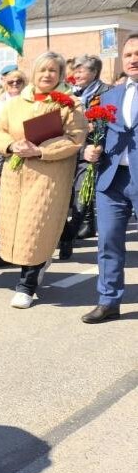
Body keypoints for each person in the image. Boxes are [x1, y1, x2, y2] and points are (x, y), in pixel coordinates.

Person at [0, 51, 86, 309]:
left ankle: (26, 285)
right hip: (16, 174)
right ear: (34, 73)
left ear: (61, 74)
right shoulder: (16, 103)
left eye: (53, 70)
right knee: (16, 228)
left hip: (48, 175)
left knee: (37, 226)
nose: (47, 75)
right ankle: (39, 262)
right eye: (43, 69)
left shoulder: (69, 104)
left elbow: (75, 138)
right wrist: (12, 145)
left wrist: (40, 151)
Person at [81, 34, 138, 323]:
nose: (133, 59)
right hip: (112, 180)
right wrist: (89, 149)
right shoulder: (109, 97)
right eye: (128, 55)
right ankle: (108, 301)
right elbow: (97, 135)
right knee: (108, 242)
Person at [65, 55, 113, 249]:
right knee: (73, 192)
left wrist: (95, 126)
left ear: (94, 72)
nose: (76, 75)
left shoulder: (107, 92)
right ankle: (83, 226)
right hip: (73, 149)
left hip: (94, 149)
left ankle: (70, 233)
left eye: (80, 71)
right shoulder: (72, 94)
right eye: (75, 71)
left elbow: (112, 120)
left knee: (82, 191)